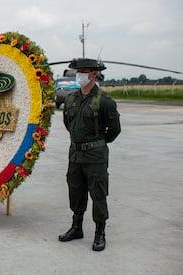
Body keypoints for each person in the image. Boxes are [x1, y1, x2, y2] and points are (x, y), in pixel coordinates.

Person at [59, 58, 121, 252]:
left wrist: (96, 144)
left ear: (94, 74)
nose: (80, 75)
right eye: (78, 71)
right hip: (75, 155)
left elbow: (114, 130)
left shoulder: (104, 100)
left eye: (84, 72)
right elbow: (68, 124)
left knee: (98, 193)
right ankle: (76, 227)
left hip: (95, 157)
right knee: (75, 190)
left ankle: (99, 233)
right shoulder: (71, 98)